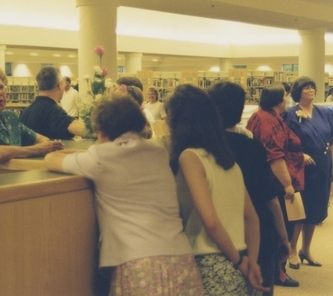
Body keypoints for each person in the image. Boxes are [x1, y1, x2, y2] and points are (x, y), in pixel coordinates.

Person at [44, 93, 203, 295]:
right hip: (181, 259)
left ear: (101, 132)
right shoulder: (158, 153)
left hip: (138, 264)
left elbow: (51, 160)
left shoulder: (100, 158)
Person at [166, 84, 268, 295]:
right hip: (241, 259)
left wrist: (239, 261)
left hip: (211, 263)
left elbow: (211, 222)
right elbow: (252, 219)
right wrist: (251, 262)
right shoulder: (228, 162)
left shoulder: (190, 158)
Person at [209, 81, 291, 295]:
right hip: (257, 232)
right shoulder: (251, 147)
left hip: (216, 236)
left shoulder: (198, 149)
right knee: (262, 286)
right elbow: (269, 198)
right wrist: (284, 238)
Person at [246, 84, 304, 288]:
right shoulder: (268, 120)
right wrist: (287, 184)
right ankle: (278, 271)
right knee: (281, 228)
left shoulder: (265, 116)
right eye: (285, 96)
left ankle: (277, 269)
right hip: (276, 184)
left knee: (279, 226)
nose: (287, 98)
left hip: (272, 181)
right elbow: (274, 155)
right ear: (278, 100)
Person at [0, 64, 64, 175]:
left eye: (1, 87)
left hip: (9, 180)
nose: (0, 92)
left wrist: (45, 146)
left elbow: (41, 139)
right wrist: (36, 150)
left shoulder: (9, 118)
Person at [283, 76, 333, 270]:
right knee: (301, 211)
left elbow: (331, 139)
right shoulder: (290, 114)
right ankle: (292, 250)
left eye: (312, 87)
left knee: (316, 210)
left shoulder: (324, 113)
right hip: (301, 168)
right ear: (298, 92)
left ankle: (306, 249)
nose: (311, 90)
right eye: (306, 88)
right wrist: (299, 154)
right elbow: (285, 141)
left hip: (322, 165)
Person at [20, 67, 86, 139]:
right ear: (59, 86)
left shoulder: (26, 111)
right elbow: (74, 127)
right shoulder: (52, 111)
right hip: (48, 150)